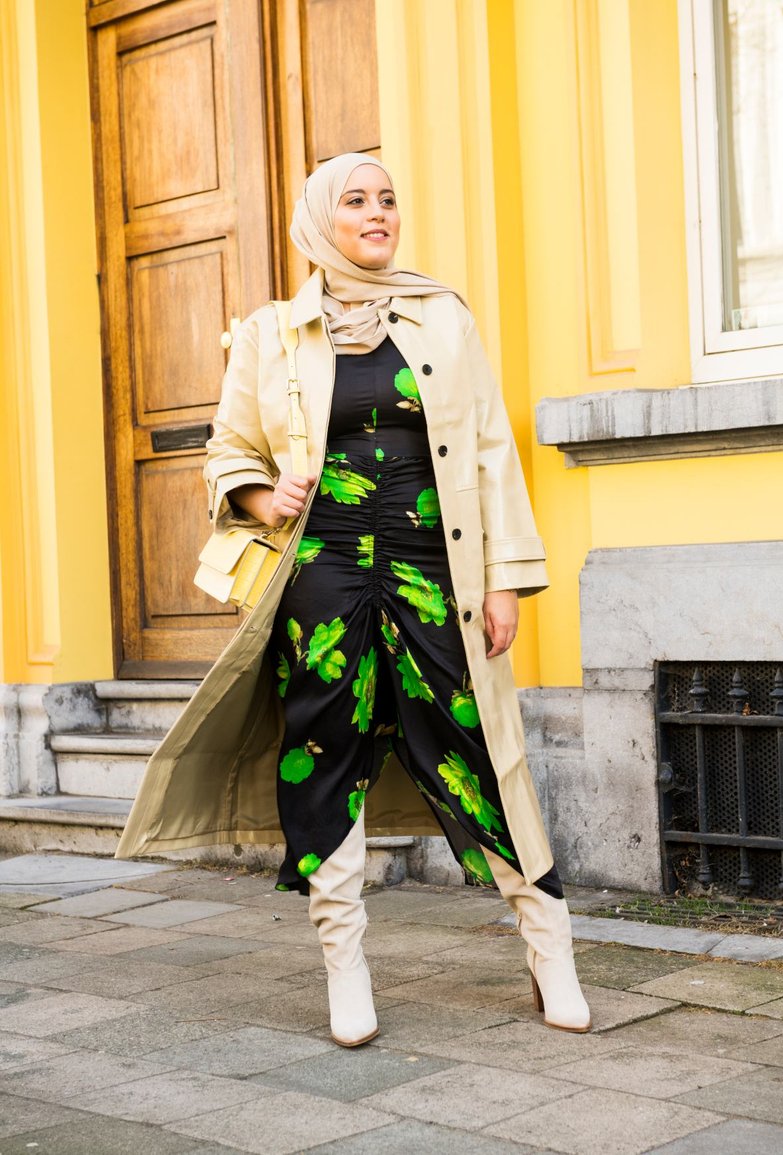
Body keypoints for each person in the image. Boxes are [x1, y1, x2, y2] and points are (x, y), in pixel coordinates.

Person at [116, 152, 591, 1045]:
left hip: (434, 566)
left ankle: (550, 948)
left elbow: (491, 449)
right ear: (318, 222)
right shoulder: (271, 332)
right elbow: (226, 450)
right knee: (325, 755)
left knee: (477, 749)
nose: (378, 214)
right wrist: (265, 496)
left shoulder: (442, 315)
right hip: (324, 571)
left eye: (387, 200)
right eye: (356, 202)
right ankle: (346, 965)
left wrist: (503, 579)